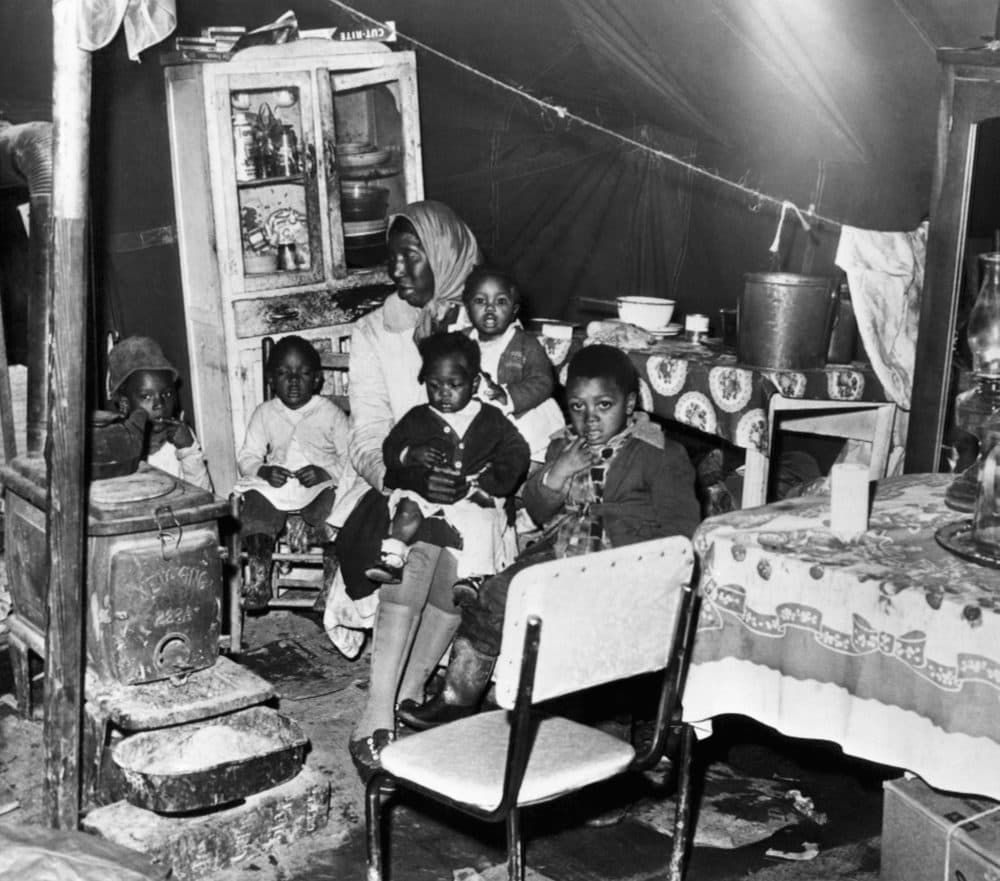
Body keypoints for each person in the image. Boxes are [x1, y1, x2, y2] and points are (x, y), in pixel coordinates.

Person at [397, 343, 701, 730]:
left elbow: (681, 531)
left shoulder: (657, 453)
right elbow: (539, 512)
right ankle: (457, 698)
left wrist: (654, 578)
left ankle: (586, 720)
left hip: (624, 566)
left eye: (603, 405)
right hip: (561, 554)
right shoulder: (564, 444)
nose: (589, 418)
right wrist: (557, 473)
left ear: (630, 402)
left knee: (578, 634)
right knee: (495, 595)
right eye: (577, 407)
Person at [325, 201, 485, 780]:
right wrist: (402, 470)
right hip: (392, 484)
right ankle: (375, 715)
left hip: (475, 486)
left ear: (443, 258)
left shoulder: (480, 322)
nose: (396, 270)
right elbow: (365, 435)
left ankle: (406, 699)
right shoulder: (373, 331)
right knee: (421, 542)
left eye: (410, 257)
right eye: (392, 257)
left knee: (455, 544)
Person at [364, 332, 529, 586]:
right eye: (434, 385)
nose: (443, 394)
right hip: (425, 491)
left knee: (482, 522)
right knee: (408, 509)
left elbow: (517, 450)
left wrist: (494, 479)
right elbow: (390, 448)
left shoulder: (490, 419)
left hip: (472, 490)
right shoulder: (418, 417)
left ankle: (474, 577)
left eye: (454, 385)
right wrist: (410, 454)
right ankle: (393, 556)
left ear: (474, 384)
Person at [235, 335, 349, 610]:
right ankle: (259, 578)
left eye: (303, 373)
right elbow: (248, 456)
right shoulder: (264, 413)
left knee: (336, 509)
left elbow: (350, 458)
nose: (294, 381)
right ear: (271, 380)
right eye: (284, 374)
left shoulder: (331, 413)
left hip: (320, 486)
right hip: (278, 485)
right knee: (253, 504)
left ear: (318, 379)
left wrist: (325, 472)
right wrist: (263, 470)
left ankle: (331, 585)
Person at [462, 264, 564, 466]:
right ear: (467, 308)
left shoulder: (525, 344)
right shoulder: (460, 342)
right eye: (480, 301)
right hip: (478, 419)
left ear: (514, 310)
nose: (490, 308)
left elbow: (542, 381)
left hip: (522, 416)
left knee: (523, 452)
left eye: (501, 301)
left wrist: (508, 396)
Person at [108, 335, 212, 491]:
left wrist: (188, 451)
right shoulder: (114, 443)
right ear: (124, 403)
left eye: (167, 394)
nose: (159, 404)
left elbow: (204, 496)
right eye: (146, 396)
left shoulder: (180, 437)